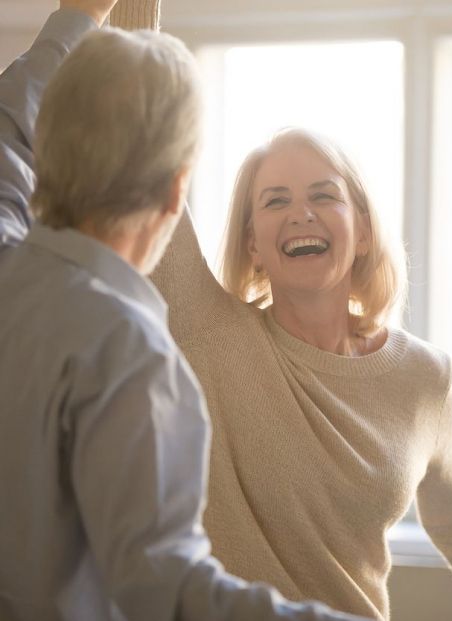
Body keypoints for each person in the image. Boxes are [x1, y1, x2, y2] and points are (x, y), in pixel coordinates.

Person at [0, 3, 372, 621]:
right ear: (179, 191)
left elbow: (7, 130)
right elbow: (164, 591)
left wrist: (77, 18)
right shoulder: (130, 356)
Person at [151, 129, 452, 620]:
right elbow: (137, 152)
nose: (300, 214)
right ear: (253, 244)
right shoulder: (210, 334)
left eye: (324, 195)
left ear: (364, 232)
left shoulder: (426, 378)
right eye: (275, 201)